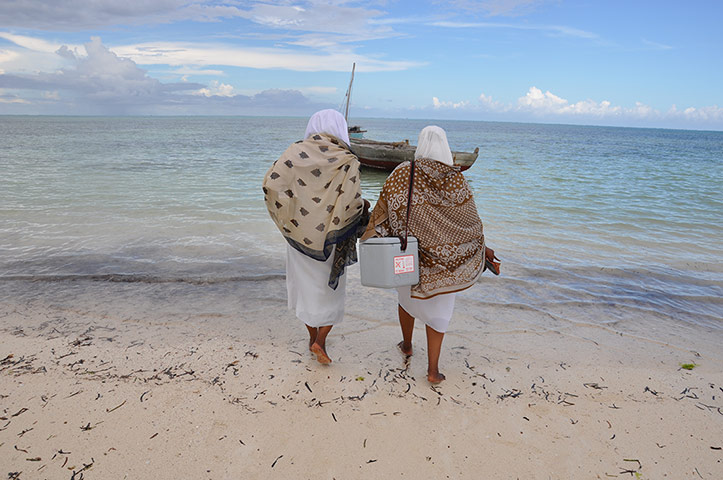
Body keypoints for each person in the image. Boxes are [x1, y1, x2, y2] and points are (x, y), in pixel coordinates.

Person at [361, 126, 486, 383]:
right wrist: (480, 247)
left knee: (406, 300)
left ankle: (407, 345)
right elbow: (469, 221)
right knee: (439, 313)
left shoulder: (402, 173)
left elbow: (385, 210)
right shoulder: (456, 178)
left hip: (411, 257)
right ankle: (432, 370)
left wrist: (378, 235)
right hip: (447, 265)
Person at [263, 109, 369, 364]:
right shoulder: (347, 159)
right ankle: (320, 341)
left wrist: (289, 218)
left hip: (300, 236)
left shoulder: (295, 152)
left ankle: (313, 339)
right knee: (330, 291)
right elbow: (352, 202)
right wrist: (360, 213)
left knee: (306, 289)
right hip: (333, 237)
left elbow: (272, 186)